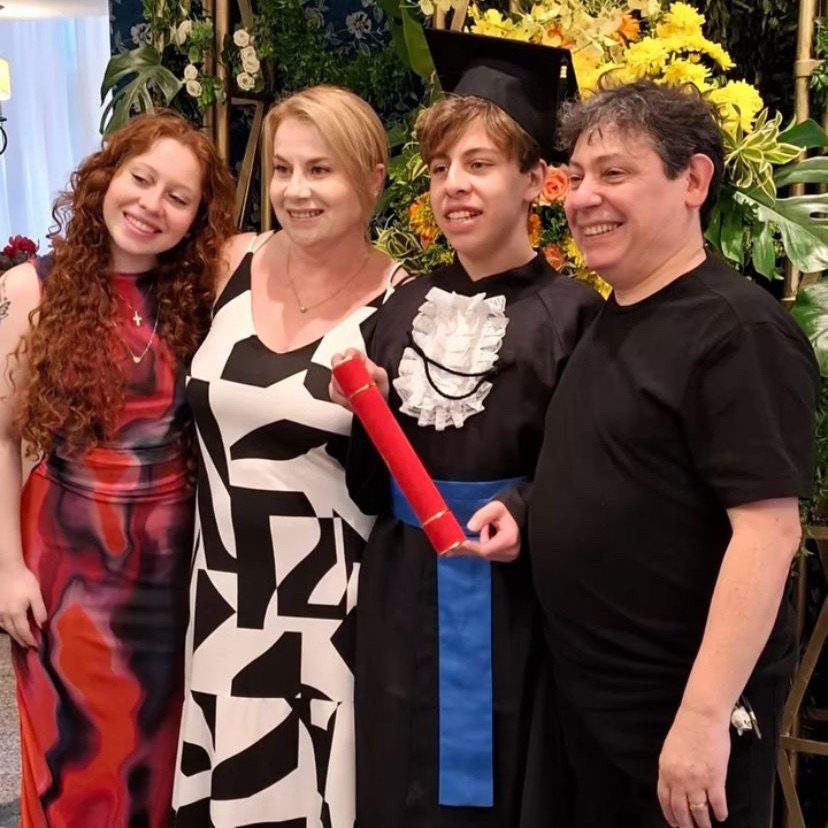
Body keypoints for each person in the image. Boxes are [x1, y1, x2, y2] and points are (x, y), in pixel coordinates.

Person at [528, 80, 819, 828]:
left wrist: (702, 716)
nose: (583, 197)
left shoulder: (736, 330)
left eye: (614, 174)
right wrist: (520, 513)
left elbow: (768, 533)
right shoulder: (611, 316)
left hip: (678, 721)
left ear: (692, 180)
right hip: (590, 711)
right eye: (577, 176)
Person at [330, 30, 602, 828]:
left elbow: (591, 470)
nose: (454, 184)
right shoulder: (399, 312)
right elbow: (367, 488)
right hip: (400, 587)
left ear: (537, 181)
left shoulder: (576, 318)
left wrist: (524, 509)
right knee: (397, 772)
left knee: (504, 783)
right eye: (441, 167)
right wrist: (367, 415)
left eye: (479, 164)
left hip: (511, 597)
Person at [171, 85, 405, 828]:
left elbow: (403, 478)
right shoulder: (231, 264)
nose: (296, 191)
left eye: (321, 170)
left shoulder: (402, 303)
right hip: (221, 594)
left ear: (373, 178)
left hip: (331, 614)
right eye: (283, 169)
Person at [0, 110, 235, 827]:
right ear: (107, 175)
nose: (152, 205)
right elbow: (0, 435)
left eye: (178, 197)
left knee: (158, 770)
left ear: (197, 218)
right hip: (66, 570)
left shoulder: (207, 292)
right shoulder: (31, 289)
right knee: (70, 766)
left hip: (175, 570)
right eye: (142, 178)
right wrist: (7, 569)